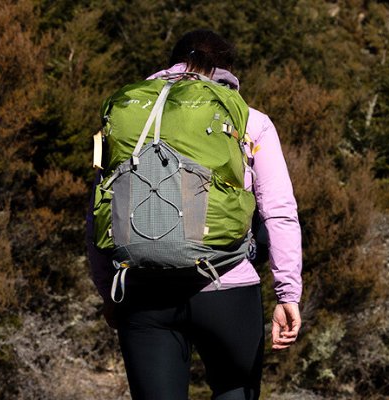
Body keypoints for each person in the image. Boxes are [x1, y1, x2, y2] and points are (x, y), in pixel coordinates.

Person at [86, 30, 303, 400]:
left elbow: (98, 213)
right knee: (234, 390)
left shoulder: (128, 115)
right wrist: (288, 293)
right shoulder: (251, 120)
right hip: (226, 287)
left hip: (142, 291)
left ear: (170, 64)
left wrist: (109, 290)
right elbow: (279, 212)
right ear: (226, 71)